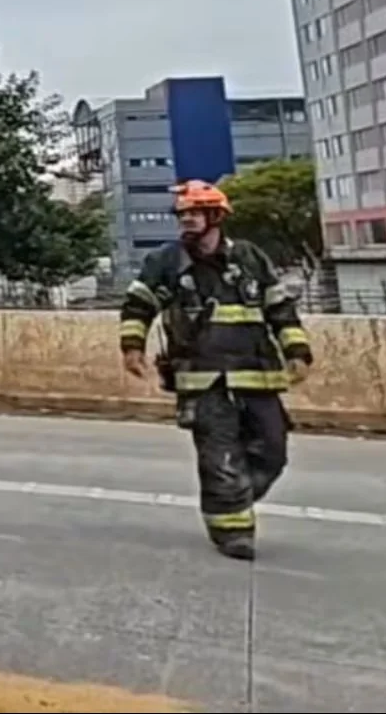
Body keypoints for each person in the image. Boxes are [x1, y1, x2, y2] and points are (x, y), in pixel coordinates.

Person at [118, 179, 313, 561]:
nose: (186, 220)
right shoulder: (167, 262)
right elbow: (138, 305)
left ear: (216, 216)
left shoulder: (250, 259)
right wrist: (132, 347)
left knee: (273, 452)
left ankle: (229, 498)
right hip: (203, 378)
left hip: (257, 374)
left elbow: (279, 309)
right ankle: (232, 532)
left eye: (194, 213)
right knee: (219, 456)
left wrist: (298, 351)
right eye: (183, 214)